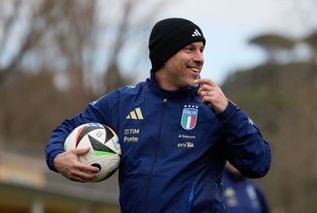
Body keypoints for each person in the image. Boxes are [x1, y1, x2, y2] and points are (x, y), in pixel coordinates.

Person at [45, 17, 271, 212]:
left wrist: (231, 113)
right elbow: (66, 129)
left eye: (201, 50)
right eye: (190, 49)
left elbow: (259, 163)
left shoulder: (214, 109)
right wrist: (57, 157)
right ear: (165, 54)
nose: (200, 57)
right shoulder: (123, 102)